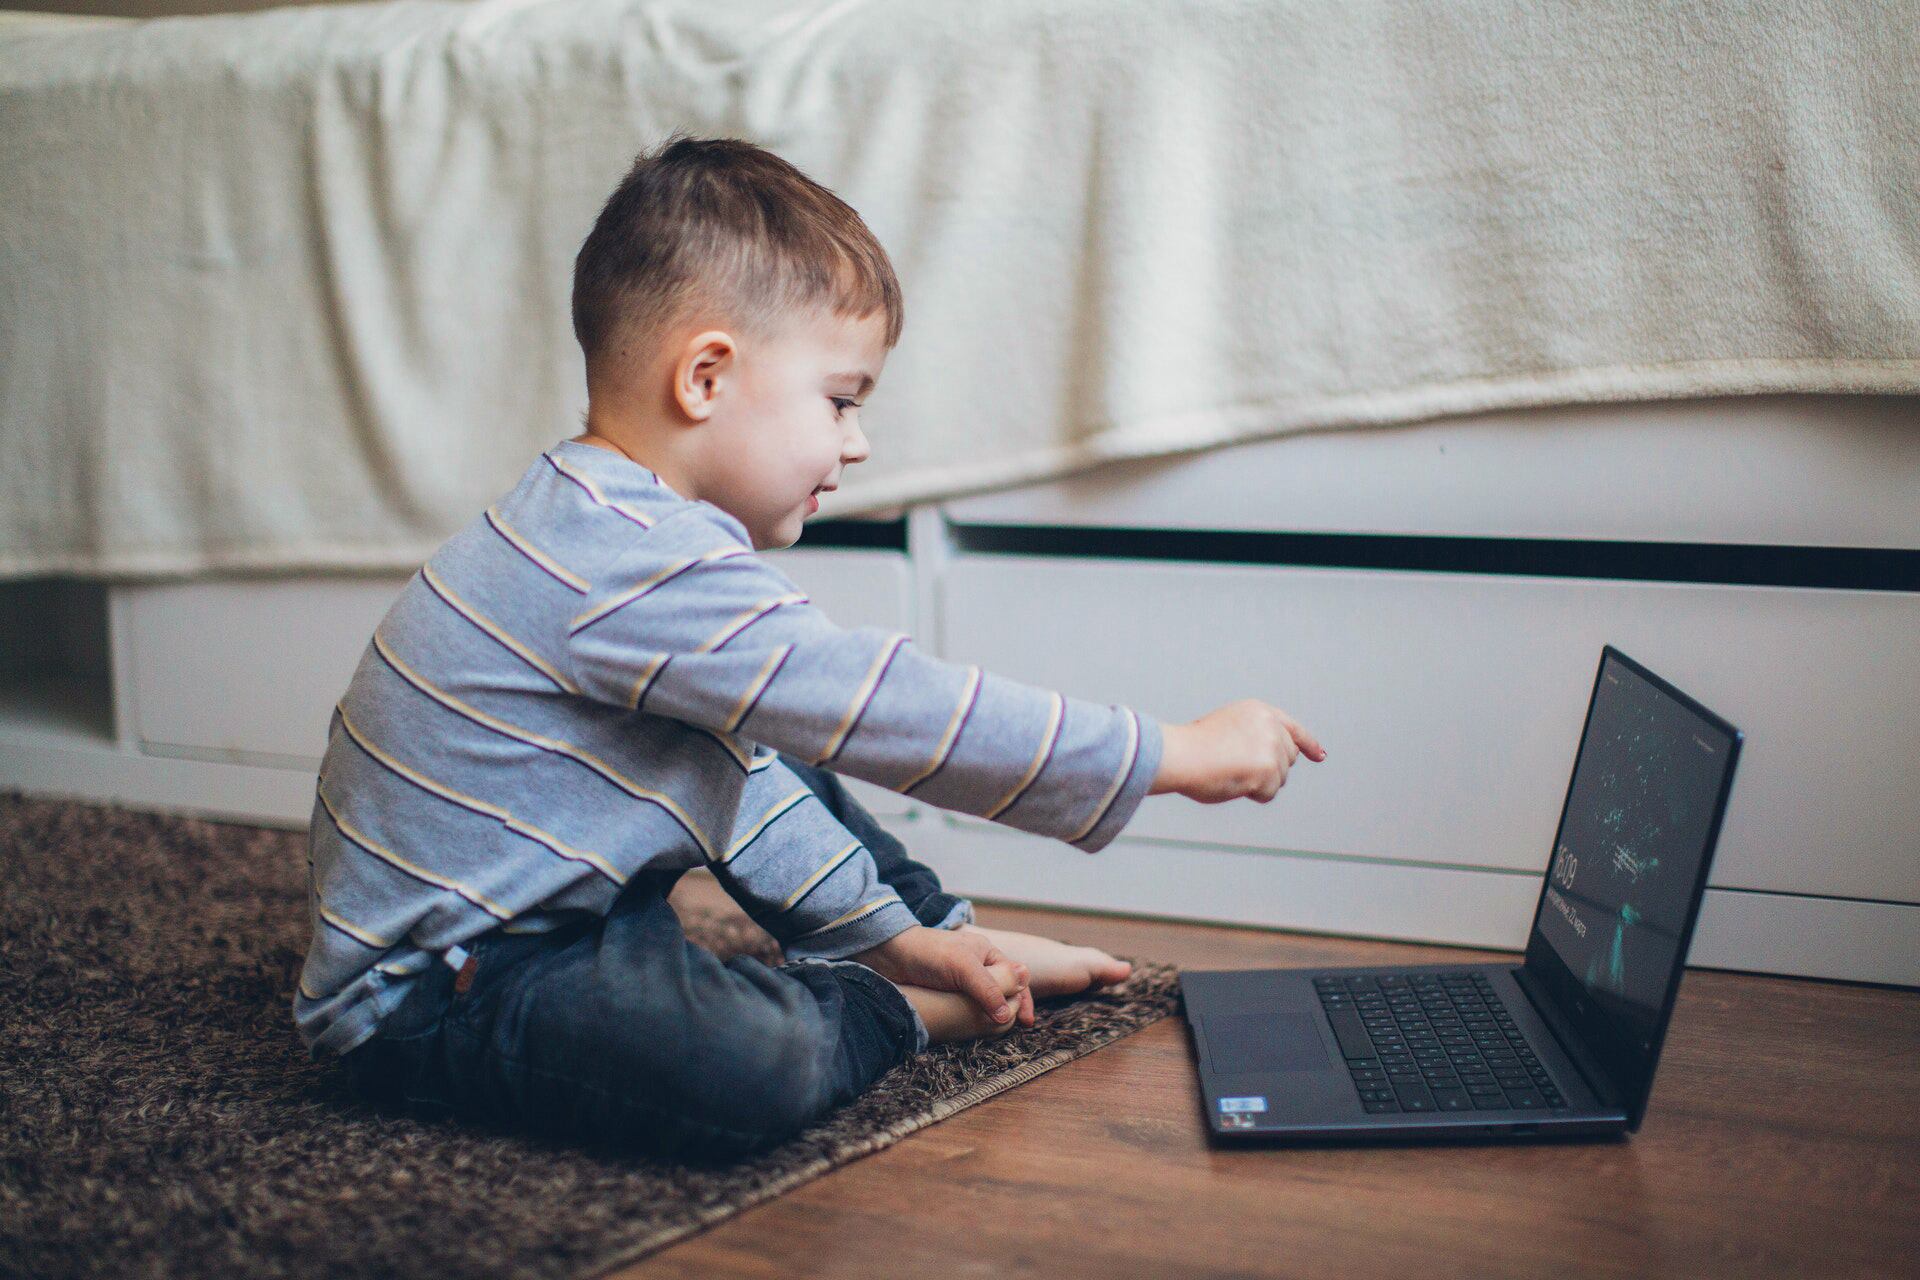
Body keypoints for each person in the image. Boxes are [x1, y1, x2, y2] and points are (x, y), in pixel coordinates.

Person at [295, 132, 1325, 1160]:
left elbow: (744, 780)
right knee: (756, 1059)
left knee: (773, 738)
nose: (858, 440)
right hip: (434, 989)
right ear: (704, 376)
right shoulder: (624, 561)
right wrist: (1170, 752)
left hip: (555, 913)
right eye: (841, 400)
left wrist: (906, 931)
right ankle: (898, 1009)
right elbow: (889, 706)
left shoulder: (614, 529)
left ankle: (944, 943)